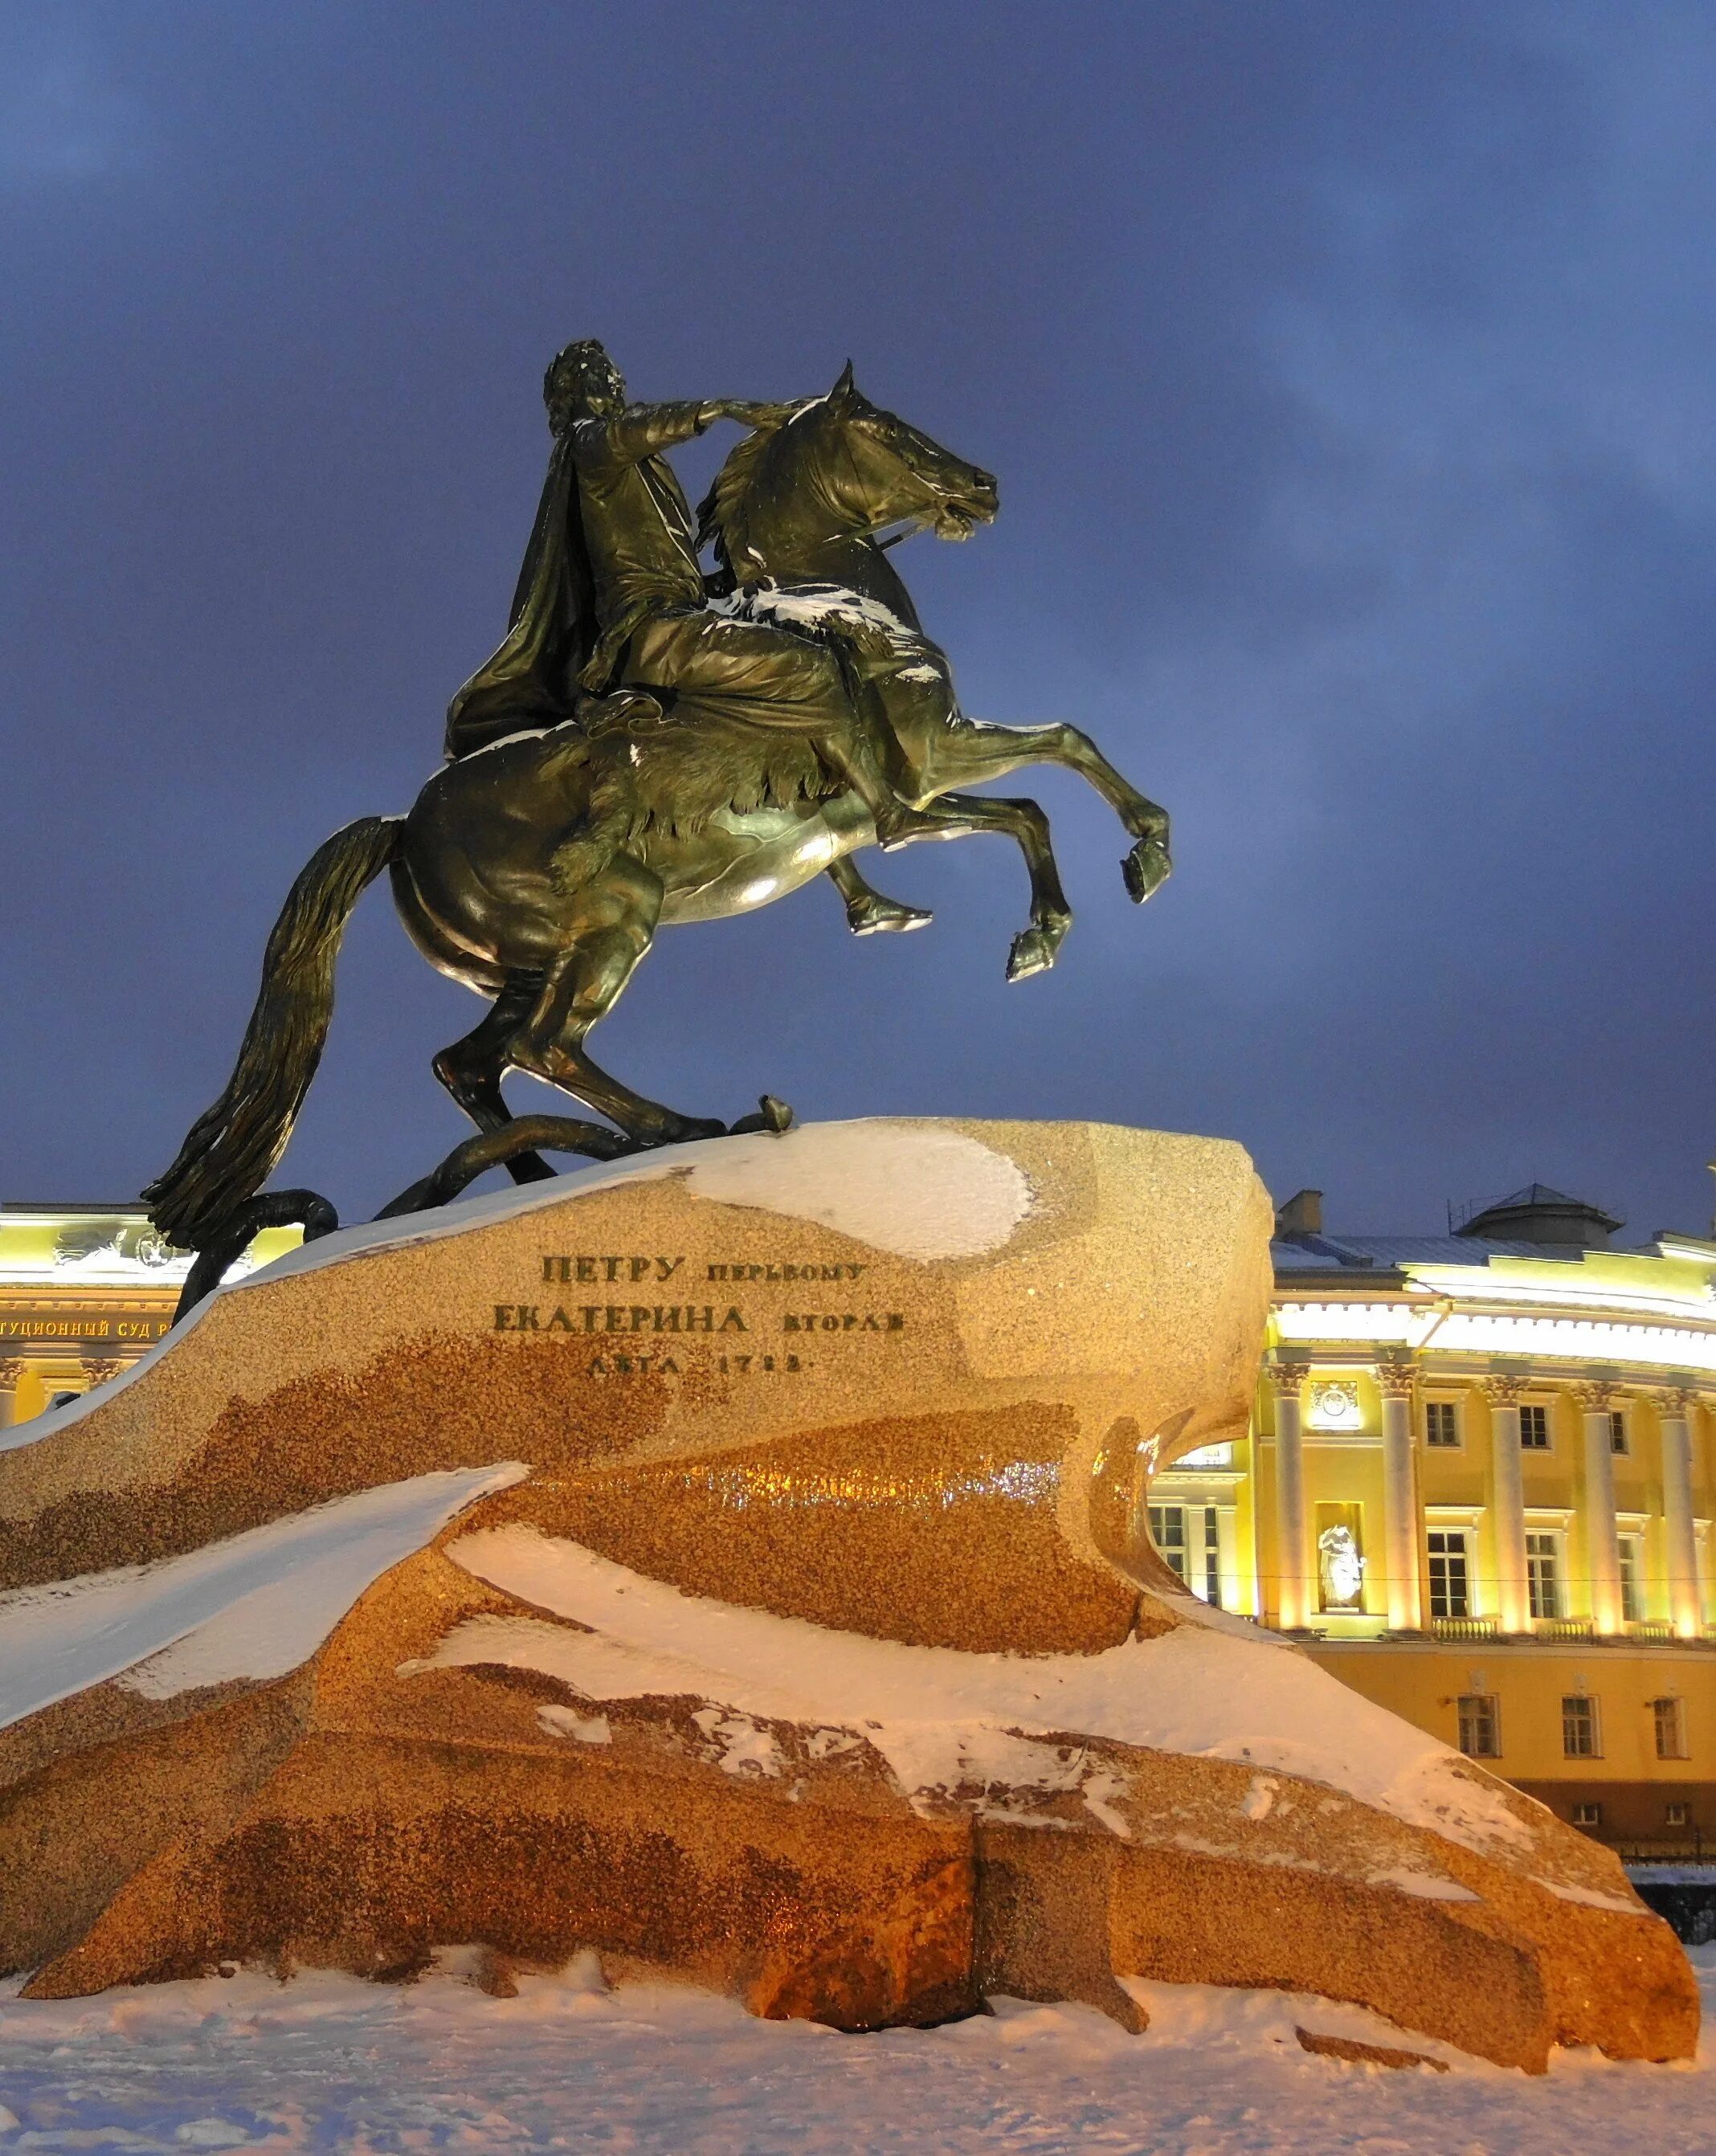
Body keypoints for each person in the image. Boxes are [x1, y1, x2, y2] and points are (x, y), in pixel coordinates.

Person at [444, 341, 917, 846]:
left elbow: (665, 561)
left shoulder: (632, 467)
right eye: (591, 376)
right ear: (570, 396)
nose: (608, 382)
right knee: (815, 669)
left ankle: (845, 873)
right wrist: (722, 408)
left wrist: (721, 583)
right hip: (657, 633)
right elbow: (630, 435)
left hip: (675, 616)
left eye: (608, 373)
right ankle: (889, 812)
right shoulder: (589, 446)